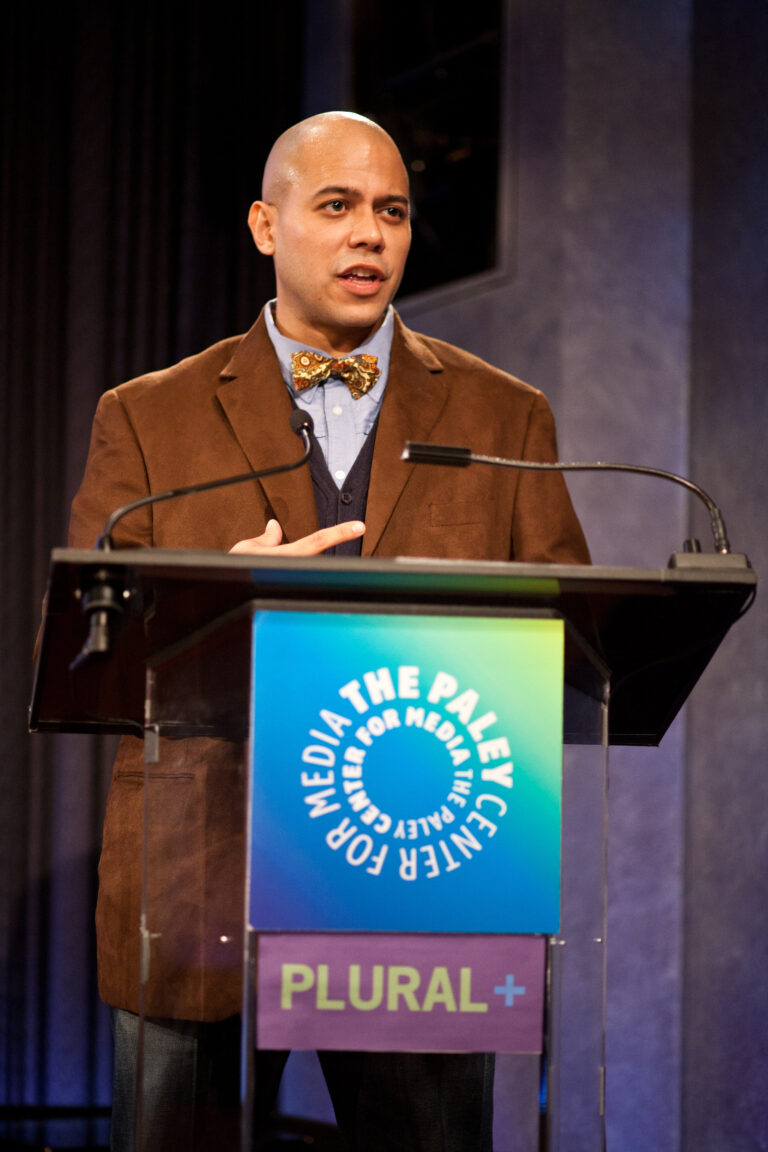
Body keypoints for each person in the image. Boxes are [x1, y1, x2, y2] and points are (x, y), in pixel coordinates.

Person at [68, 111, 589, 1151]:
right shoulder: (147, 415)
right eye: (338, 205)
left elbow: (574, 641)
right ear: (266, 226)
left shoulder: (504, 416)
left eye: (393, 211)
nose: (369, 235)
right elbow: (85, 658)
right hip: (198, 875)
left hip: (420, 875)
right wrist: (213, 600)